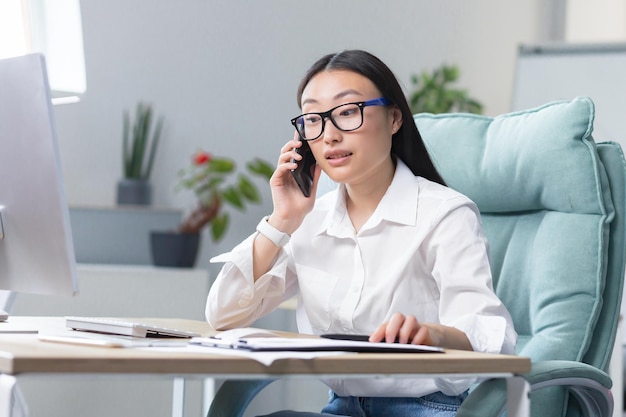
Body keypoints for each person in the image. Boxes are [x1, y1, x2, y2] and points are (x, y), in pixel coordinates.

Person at [206, 49, 517, 417]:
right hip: (340, 409)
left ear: (394, 118)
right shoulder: (308, 220)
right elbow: (223, 315)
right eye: (313, 118)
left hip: (428, 408)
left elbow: (490, 337)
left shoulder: (444, 214)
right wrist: (282, 221)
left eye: (348, 112)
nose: (330, 135)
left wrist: (433, 335)